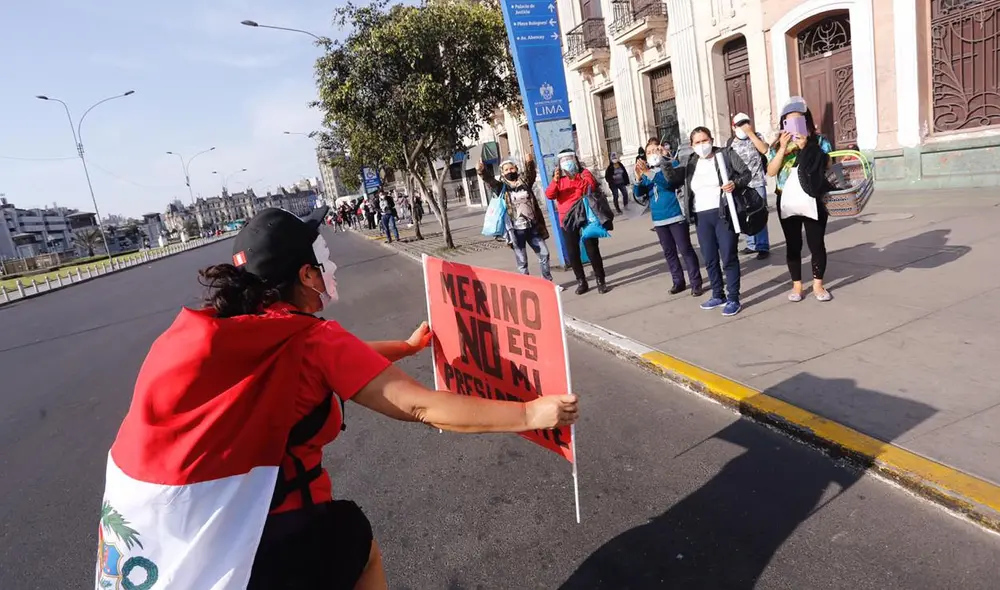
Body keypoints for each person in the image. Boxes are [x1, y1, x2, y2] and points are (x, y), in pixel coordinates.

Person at [96, 206, 578, 590]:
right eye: (320, 256)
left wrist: (407, 347)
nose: (330, 263)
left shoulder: (239, 333)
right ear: (306, 275)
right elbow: (420, 406)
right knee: (356, 542)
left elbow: (340, 359)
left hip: (218, 537)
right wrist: (532, 412)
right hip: (289, 537)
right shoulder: (311, 340)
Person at [767, 96, 834, 302]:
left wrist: (807, 147)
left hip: (813, 197)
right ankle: (797, 286)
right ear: (783, 124)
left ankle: (818, 284)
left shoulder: (820, 141)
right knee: (793, 244)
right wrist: (782, 148)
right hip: (786, 200)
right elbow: (771, 172)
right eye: (789, 121)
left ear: (807, 121)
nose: (794, 125)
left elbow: (828, 165)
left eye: (799, 120)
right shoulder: (778, 145)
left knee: (816, 243)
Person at [682, 126, 752, 317]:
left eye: (705, 141)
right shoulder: (692, 161)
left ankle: (733, 298)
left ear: (711, 140)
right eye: (697, 142)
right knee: (710, 257)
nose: (702, 145)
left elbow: (746, 174)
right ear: (692, 145)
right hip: (701, 215)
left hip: (723, 213)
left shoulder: (725, 154)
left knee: (728, 255)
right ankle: (717, 294)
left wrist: (734, 184)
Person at [634, 142, 704, 296]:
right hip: (659, 219)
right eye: (649, 152)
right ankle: (678, 281)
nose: (653, 154)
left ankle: (696, 282)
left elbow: (668, 183)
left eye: (655, 150)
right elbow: (639, 194)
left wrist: (649, 172)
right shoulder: (648, 172)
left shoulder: (672, 165)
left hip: (675, 215)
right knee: (669, 252)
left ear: (661, 150)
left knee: (685, 249)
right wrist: (638, 179)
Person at [546, 149, 613, 295]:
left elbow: (588, 187)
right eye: (564, 160)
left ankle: (600, 280)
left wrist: (574, 177)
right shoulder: (558, 177)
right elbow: (550, 195)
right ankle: (581, 281)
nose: (567, 162)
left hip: (586, 215)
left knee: (592, 249)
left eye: (570, 159)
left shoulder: (584, 173)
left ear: (575, 159)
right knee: (572, 252)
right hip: (567, 218)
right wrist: (555, 181)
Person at [478, 154, 554, 282]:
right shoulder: (501, 187)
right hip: (516, 231)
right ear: (502, 172)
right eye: (506, 170)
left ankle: (547, 282)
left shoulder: (525, 183)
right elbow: (490, 181)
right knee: (522, 262)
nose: (509, 171)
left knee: (544, 254)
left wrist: (529, 162)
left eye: (511, 169)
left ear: (516, 169)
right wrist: (482, 171)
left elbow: (531, 175)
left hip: (533, 227)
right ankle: (526, 285)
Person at [728, 113, 771, 260]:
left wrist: (750, 134)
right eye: (740, 124)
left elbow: (764, 150)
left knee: (759, 213)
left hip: (757, 182)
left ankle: (763, 245)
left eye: (746, 123)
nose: (744, 126)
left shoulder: (756, 136)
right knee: (745, 214)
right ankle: (751, 244)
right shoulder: (731, 143)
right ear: (734, 127)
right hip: (741, 184)